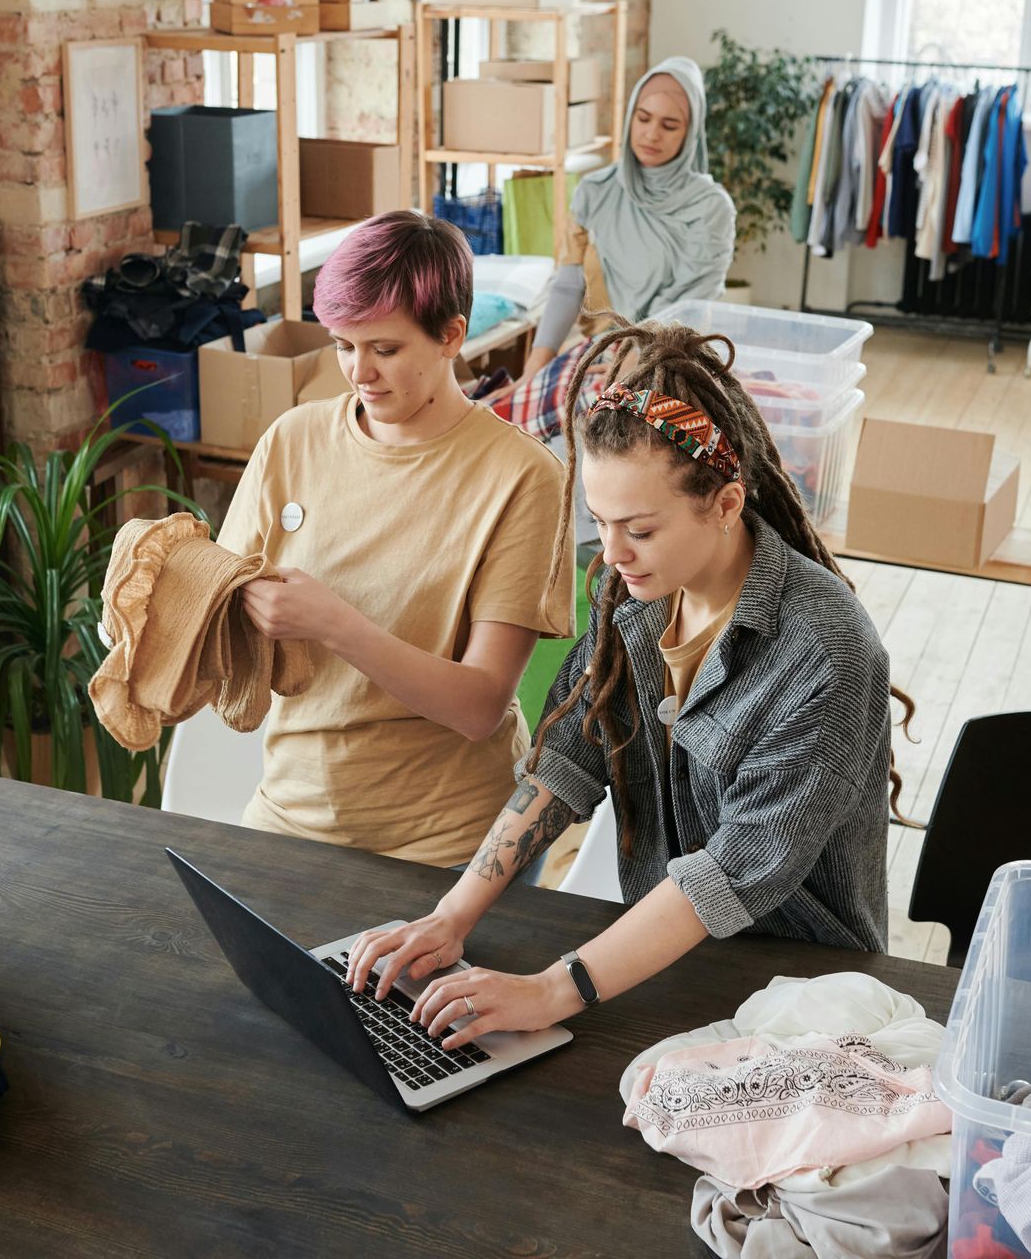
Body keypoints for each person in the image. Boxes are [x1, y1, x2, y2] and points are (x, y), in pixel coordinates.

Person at [346, 318, 914, 1050]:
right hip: (652, 967)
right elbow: (568, 764)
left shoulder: (825, 653)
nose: (612, 555)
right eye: (600, 523)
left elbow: (727, 875)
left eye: (638, 530)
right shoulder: (639, 604)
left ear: (726, 504)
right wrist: (451, 915)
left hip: (802, 1006)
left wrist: (553, 990)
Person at [215, 210, 573, 872]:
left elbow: (479, 704)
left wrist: (333, 624)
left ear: (451, 336)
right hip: (291, 815)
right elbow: (224, 613)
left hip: (447, 847)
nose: (359, 371)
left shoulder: (522, 476)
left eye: (386, 349)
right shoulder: (292, 441)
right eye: (344, 345)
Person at [497, 57, 736, 440]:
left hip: (674, 358)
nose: (651, 134)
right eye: (643, 118)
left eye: (669, 125)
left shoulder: (711, 208)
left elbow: (688, 306)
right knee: (501, 421)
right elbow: (568, 285)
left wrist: (635, 363)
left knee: (600, 439)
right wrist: (532, 374)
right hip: (611, 347)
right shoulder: (597, 191)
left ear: (691, 133)